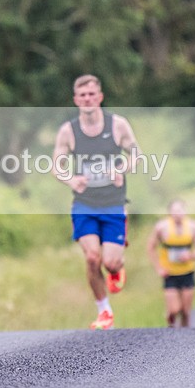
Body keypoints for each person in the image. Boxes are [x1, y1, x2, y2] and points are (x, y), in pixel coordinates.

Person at [52, 74, 139, 330]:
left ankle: (116, 265)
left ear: (100, 97)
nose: (88, 99)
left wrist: (122, 168)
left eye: (92, 94)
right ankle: (104, 312)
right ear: (76, 100)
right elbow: (57, 166)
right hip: (84, 204)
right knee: (92, 257)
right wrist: (71, 180)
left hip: (113, 203)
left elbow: (135, 153)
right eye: (82, 95)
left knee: (110, 262)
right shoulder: (69, 131)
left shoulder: (118, 125)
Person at [146, 199, 195, 327]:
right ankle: (170, 321)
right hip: (170, 273)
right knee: (174, 310)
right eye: (174, 211)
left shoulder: (194, 227)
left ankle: (186, 340)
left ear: (185, 211)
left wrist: (191, 255)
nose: (177, 214)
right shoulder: (161, 227)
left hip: (187, 272)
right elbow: (151, 247)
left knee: (186, 311)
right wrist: (158, 268)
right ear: (169, 212)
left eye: (180, 210)